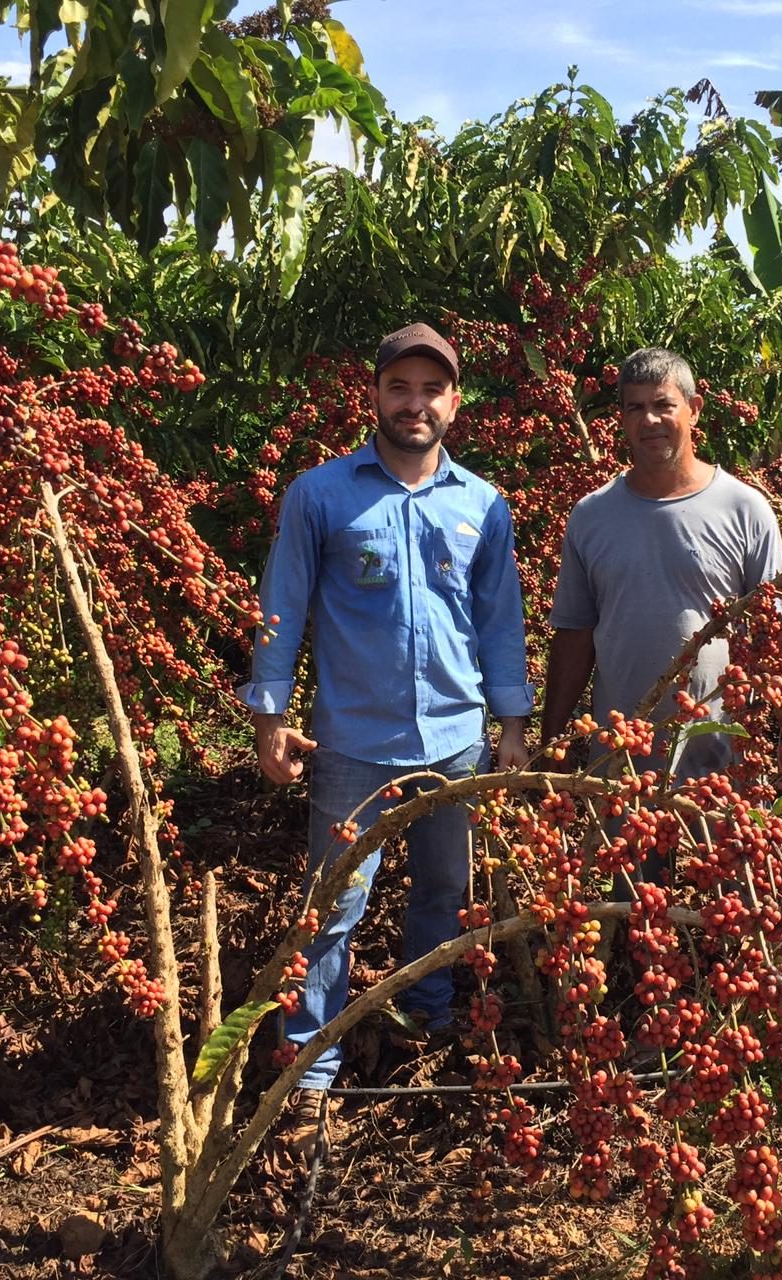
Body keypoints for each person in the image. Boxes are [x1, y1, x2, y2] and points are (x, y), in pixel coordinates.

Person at [238, 322, 532, 1146]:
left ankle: (430, 1019)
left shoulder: (483, 505)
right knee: (332, 907)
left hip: (455, 738)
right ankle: (309, 1065)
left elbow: (499, 621)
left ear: (454, 402)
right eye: (399, 387)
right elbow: (280, 607)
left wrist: (511, 724)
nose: (414, 404)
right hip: (353, 743)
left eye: (430, 390)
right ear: (374, 395)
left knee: (445, 889)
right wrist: (270, 718)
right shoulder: (321, 495)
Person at [541, 346, 782, 787]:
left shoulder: (745, 509)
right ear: (621, 418)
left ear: (693, 410)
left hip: (723, 764)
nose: (649, 420)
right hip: (623, 764)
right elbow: (575, 635)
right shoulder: (592, 515)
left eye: (663, 405)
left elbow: (775, 640)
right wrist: (552, 741)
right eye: (635, 407)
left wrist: (772, 743)